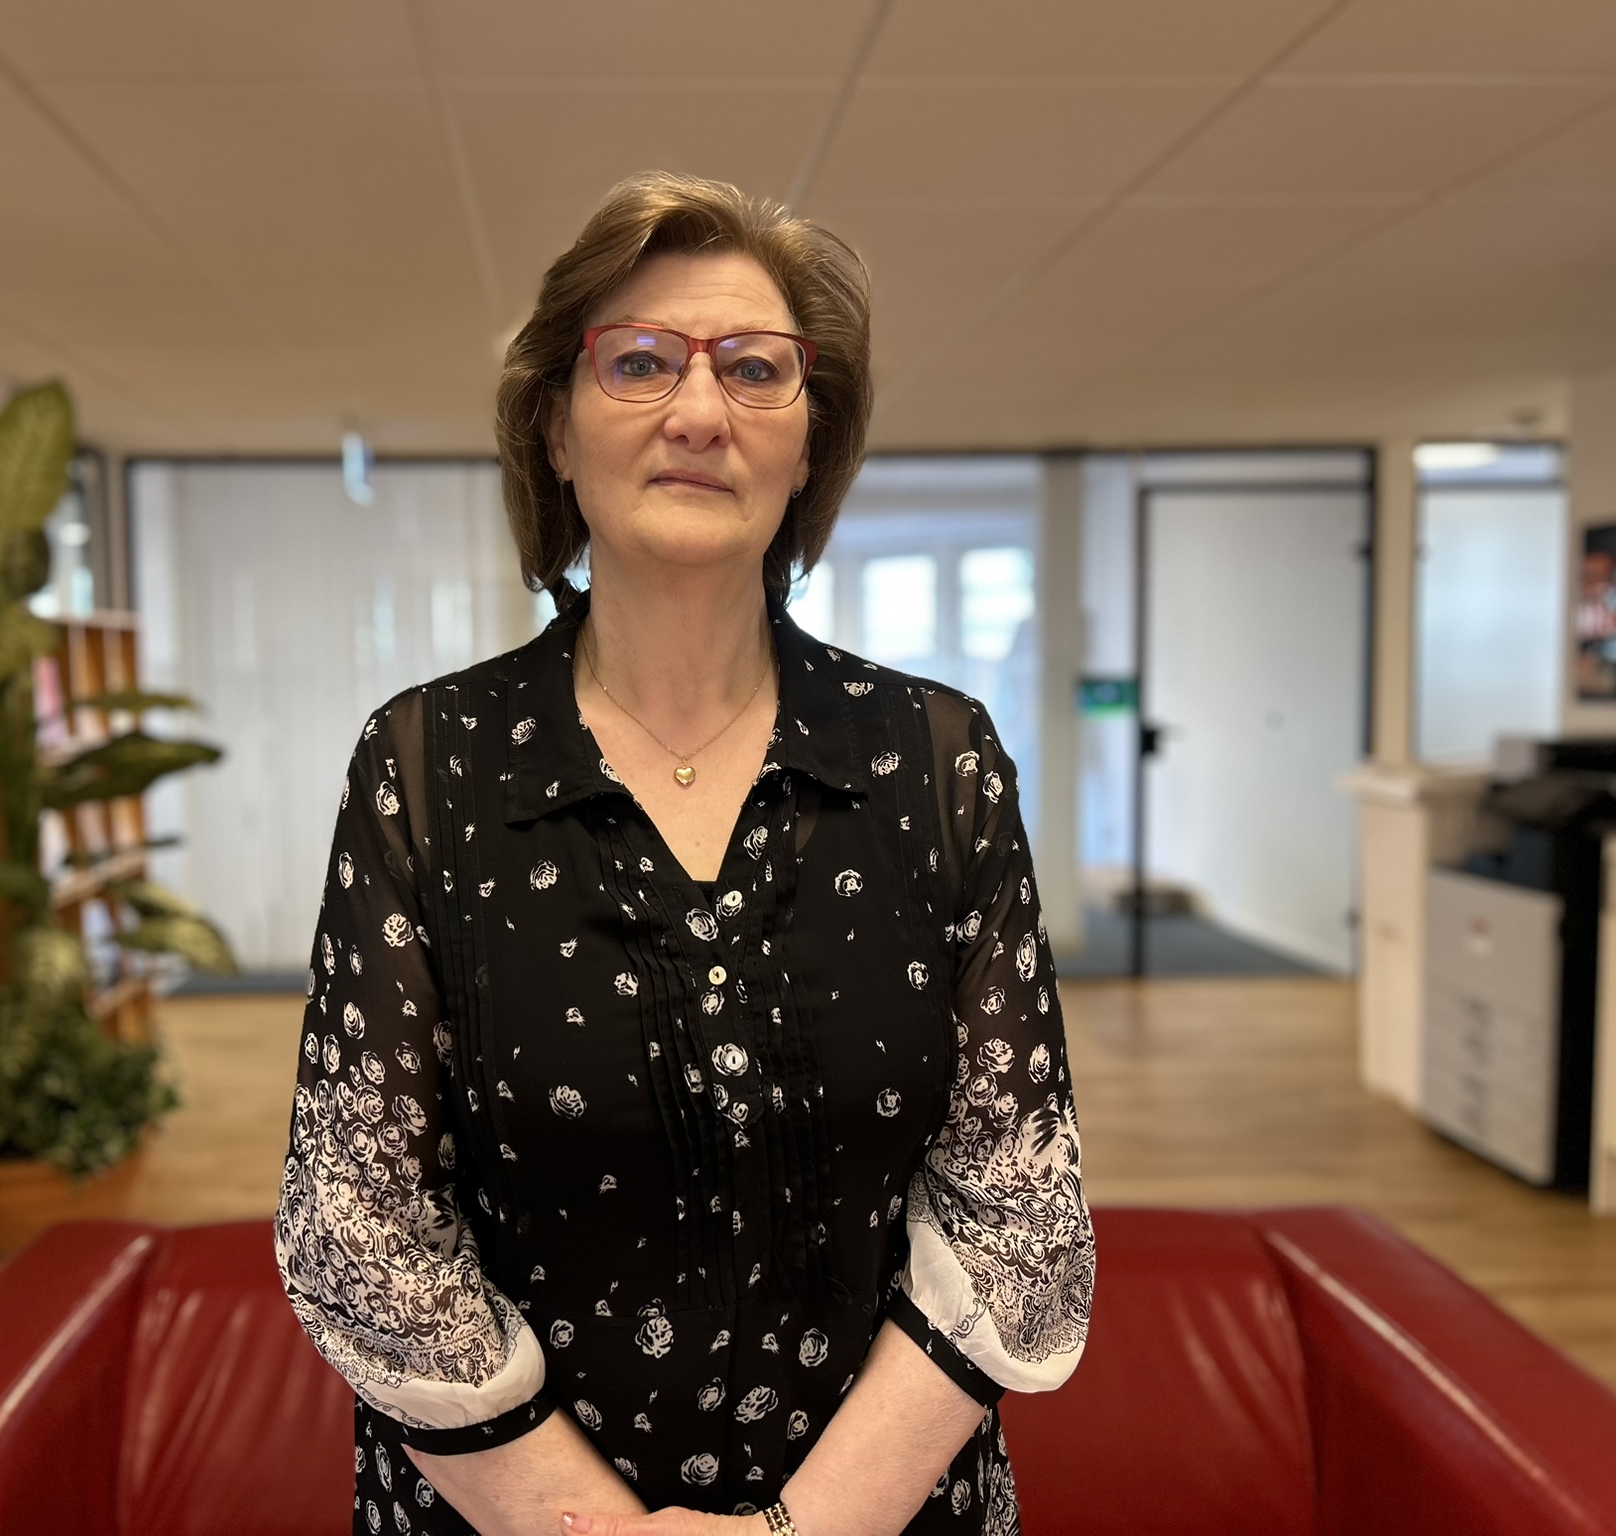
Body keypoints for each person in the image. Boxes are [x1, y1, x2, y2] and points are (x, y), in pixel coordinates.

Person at [276, 171, 1094, 1536]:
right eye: (641, 361)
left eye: (757, 370)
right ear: (555, 426)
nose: (701, 412)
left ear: (810, 441)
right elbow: (359, 1221)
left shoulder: (934, 760)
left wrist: (799, 1533)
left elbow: (1019, 1210)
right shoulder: (429, 766)